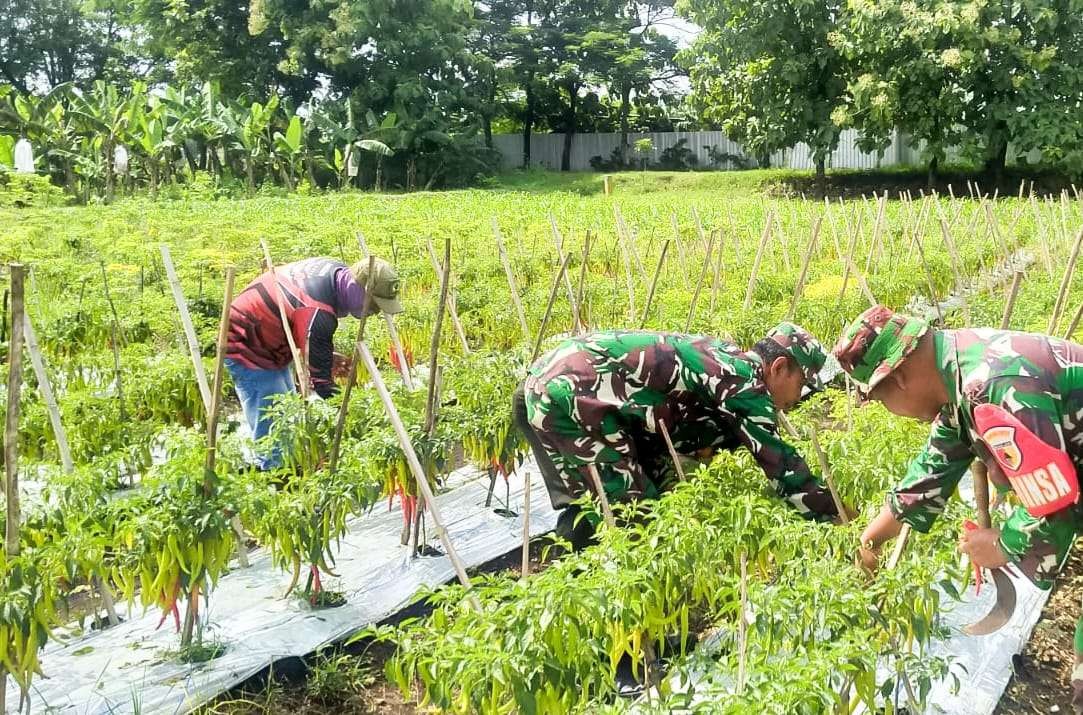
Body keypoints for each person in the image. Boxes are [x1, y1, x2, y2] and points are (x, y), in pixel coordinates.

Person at [832, 305, 1083, 710]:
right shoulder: (955, 372)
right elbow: (936, 464)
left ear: (897, 379)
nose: (890, 412)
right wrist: (872, 538)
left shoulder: (992, 385)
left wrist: (1003, 543)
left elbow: (1054, 501)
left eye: (881, 401)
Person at [512, 324, 846, 547]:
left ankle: (577, 572)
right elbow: (782, 468)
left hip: (546, 383)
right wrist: (839, 516)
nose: (797, 398)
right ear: (779, 368)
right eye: (801, 384)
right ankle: (619, 633)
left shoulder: (727, 358)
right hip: (575, 393)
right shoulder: (745, 384)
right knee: (632, 518)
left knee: (590, 502)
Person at [225, 256, 403, 469]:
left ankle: (286, 467)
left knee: (287, 410)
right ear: (361, 290)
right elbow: (323, 385)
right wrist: (357, 416)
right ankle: (273, 478)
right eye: (374, 303)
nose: (375, 311)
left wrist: (322, 356)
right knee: (273, 417)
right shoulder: (319, 313)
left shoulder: (339, 273)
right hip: (246, 342)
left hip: (267, 333)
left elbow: (303, 322)